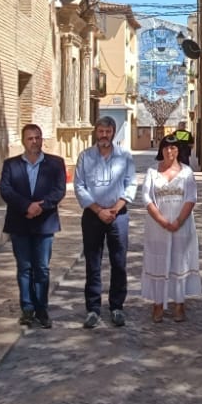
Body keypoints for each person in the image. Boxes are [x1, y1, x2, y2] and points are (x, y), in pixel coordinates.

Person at [0, 123, 65, 329]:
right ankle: (27, 309)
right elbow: (5, 190)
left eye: (38, 137)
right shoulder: (11, 164)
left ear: (42, 139)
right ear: (23, 141)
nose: (34, 142)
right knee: (24, 268)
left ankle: (42, 309)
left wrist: (41, 207)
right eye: (30, 138)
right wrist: (26, 206)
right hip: (20, 223)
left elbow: (59, 190)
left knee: (42, 268)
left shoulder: (55, 163)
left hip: (45, 224)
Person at [74, 115, 135, 329]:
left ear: (113, 133)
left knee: (119, 263)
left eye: (108, 132)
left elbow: (131, 185)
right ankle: (92, 309)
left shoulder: (125, 157)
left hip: (118, 216)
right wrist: (99, 210)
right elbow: (79, 186)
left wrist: (114, 209)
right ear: (96, 132)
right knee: (93, 263)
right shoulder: (85, 157)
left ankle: (117, 307)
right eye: (101, 131)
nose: (104, 135)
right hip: (93, 216)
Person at [139, 131, 201, 322]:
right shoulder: (152, 172)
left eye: (173, 147)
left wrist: (178, 221)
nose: (169, 151)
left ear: (178, 150)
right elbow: (146, 197)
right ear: (161, 150)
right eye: (166, 147)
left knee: (180, 261)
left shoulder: (186, 173)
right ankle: (157, 304)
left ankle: (179, 304)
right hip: (158, 227)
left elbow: (191, 197)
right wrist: (162, 221)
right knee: (158, 261)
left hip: (182, 226)